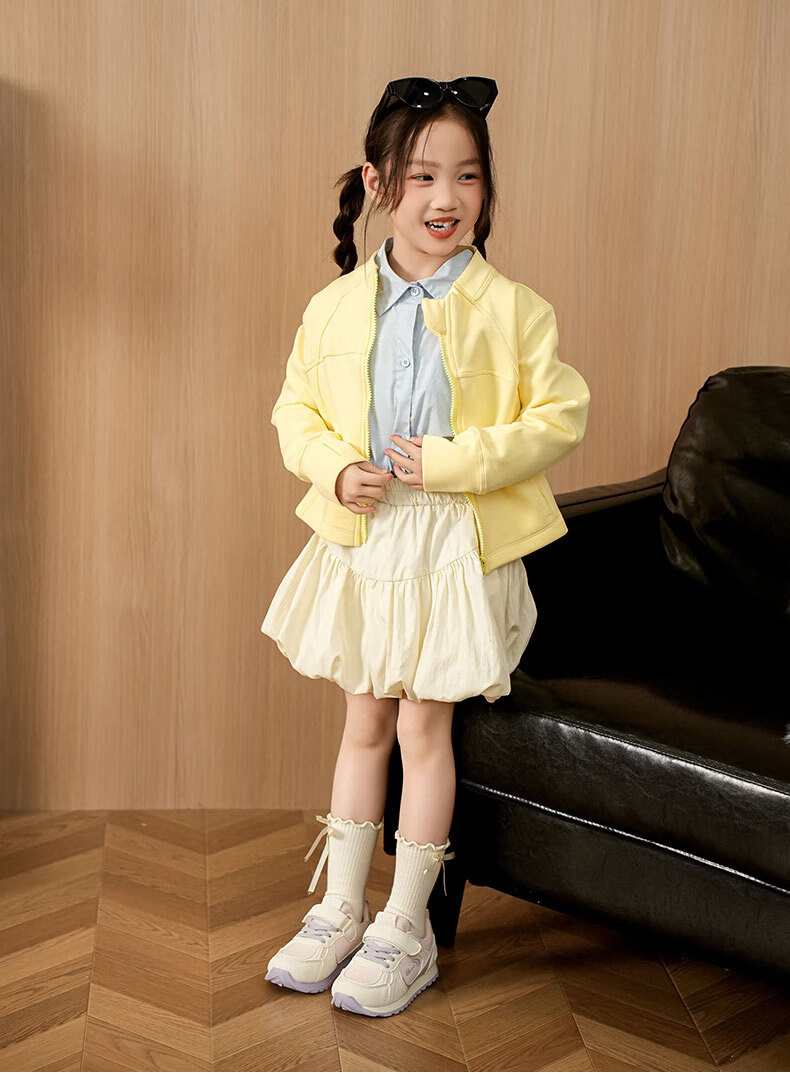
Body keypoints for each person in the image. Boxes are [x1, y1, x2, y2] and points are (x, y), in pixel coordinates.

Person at [261, 76, 591, 1018]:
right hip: (370, 541)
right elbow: (294, 412)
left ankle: (406, 925)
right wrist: (334, 469)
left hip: (453, 547)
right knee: (363, 723)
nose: (447, 199)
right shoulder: (333, 308)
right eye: (422, 177)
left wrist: (456, 461)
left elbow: (558, 415)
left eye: (468, 177)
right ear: (378, 184)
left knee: (422, 728)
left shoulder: (515, 309)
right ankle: (340, 908)